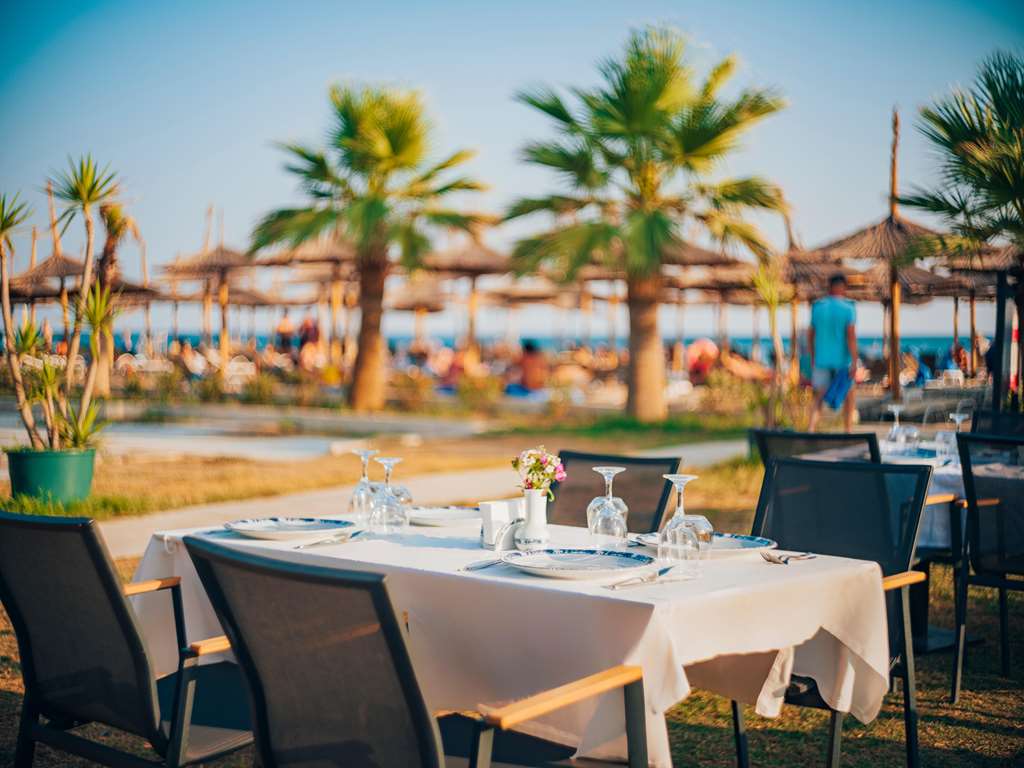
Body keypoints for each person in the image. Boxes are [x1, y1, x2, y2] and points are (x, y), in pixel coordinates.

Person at [808, 273, 857, 432]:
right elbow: (851, 337)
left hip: (821, 359)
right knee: (849, 395)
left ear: (829, 287)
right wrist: (855, 362)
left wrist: (812, 357)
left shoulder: (817, 307)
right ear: (843, 287)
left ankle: (810, 430)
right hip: (843, 361)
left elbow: (810, 335)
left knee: (818, 397)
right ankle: (848, 431)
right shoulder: (849, 308)